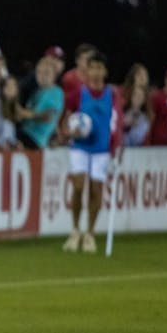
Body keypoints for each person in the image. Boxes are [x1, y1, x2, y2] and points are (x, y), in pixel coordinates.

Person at [61, 51, 121, 253]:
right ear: (87, 71)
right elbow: (64, 117)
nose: (95, 72)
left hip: (101, 149)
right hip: (80, 146)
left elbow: (117, 121)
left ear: (104, 71)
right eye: (92, 68)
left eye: (99, 68)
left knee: (96, 190)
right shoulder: (79, 93)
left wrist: (117, 145)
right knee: (78, 186)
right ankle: (75, 229)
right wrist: (67, 131)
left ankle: (90, 234)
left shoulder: (112, 95)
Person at [18, 57, 64, 149]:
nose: (42, 76)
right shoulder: (36, 92)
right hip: (25, 135)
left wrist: (23, 113)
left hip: (35, 140)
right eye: (39, 72)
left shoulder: (56, 92)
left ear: (54, 75)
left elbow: (47, 117)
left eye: (46, 72)